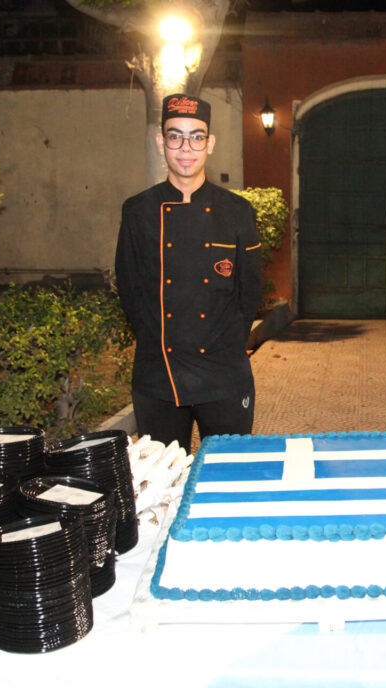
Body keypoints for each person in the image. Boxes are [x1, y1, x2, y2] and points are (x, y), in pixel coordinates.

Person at [115, 93, 262, 452]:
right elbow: (130, 290)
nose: (186, 148)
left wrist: (227, 345)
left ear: (210, 144)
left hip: (223, 376)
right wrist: (154, 340)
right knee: (163, 480)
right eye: (175, 136)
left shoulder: (237, 212)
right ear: (160, 142)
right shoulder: (138, 211)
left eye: (196, 137)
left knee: (228, 473)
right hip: (159, 378)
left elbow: (249, 294)